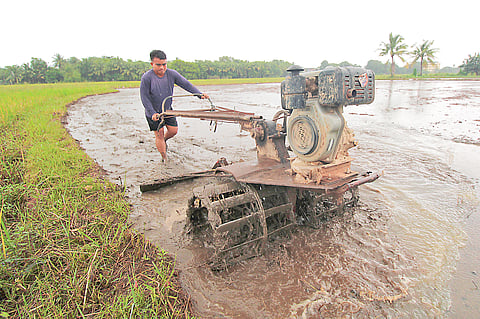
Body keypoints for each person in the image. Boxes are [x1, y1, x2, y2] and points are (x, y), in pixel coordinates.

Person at [140, 50, 209, 162]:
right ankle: (165, 159)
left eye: (164, 64)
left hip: (167, 110)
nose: (162, 67)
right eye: (158, 65)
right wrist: (152, 112)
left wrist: (199, 94)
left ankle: (164, 141)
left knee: (173, 130)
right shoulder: (147, 78)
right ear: (152, 64)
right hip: (153, 112)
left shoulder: (171, 74)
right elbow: (144, 98)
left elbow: (185, 84)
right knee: (159, 134)